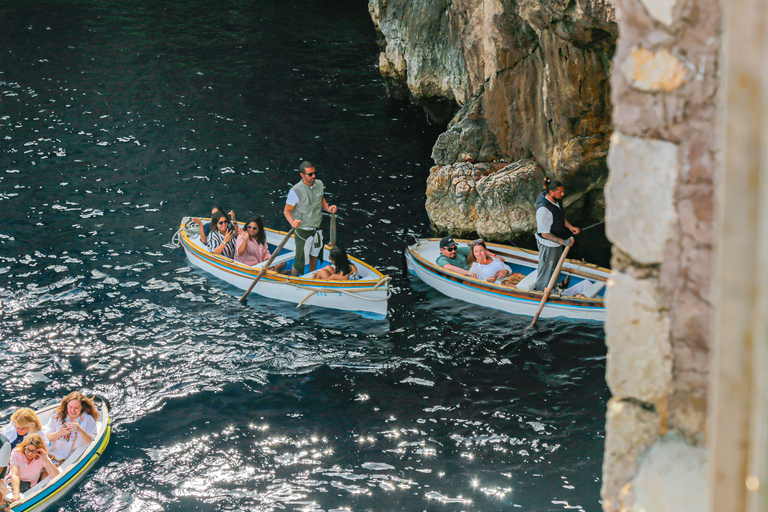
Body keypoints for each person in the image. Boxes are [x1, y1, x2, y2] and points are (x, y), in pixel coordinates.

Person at [284, 161, 337, 276]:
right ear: (302, 175)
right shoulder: (295, 191)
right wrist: (292, 222)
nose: (313, 176)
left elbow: (321, 198)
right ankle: (294, 280)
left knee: (315, 254)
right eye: (310, 174)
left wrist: (328, 208)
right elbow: (287, 210)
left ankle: (313, 276)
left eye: (314, 173)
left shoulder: (319, 184)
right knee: (300, 259)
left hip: (317, 227)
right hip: (303, 230)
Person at [534, 177, 579, 291]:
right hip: (548, 245)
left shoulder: (555, 200)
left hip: (556, 244)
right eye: (560, 192)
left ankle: (553, 288)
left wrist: (571, 227)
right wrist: (564, 242)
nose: (563, 194)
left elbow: (559, 217)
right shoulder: (543, 210)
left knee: (555, 268)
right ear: (551, 192)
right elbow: (545, 234)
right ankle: (540, 292)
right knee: (546, 270)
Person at [44, 392, 99, 465]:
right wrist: (60, 433)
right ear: (66, 406)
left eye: (76, 408)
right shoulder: (58, 415)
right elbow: (47, 438)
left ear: (81, 407)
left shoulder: (88, 419)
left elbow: (89, 442)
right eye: (70, 407)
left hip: (70, 459)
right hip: (52, 455)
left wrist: (80, 430)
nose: (73, 411)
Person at [6, 434, 59, 502]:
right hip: (13, 482)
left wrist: (45, 459)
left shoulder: (41, 456)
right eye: (28, 450)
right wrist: (16, 494)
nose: (30, 454)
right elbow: (15, 474)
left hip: (29, 485)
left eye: (33, 451)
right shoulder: (16, 452)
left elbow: (56, 476)